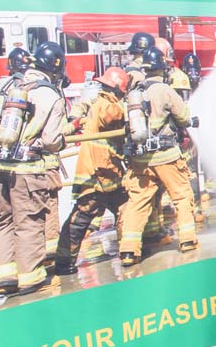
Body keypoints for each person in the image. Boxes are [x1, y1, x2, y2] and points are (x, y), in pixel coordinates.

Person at [0, 42, 67, 296]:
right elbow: (52, 141)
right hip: (27, 169)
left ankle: (5, 278)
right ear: (56, 68)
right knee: (29, 222)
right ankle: (32, 278)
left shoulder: (8, 85)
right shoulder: (50, 95)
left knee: (3, 221)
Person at [118, 48, 198, 266]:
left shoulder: (135, 91)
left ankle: (128, 250)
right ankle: (188, 240)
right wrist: (189, 121)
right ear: (163, 70)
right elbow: (182, 116)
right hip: (166, 156)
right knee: (181, 195)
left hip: (141, 159)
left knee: (138, 202)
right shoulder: (165, 90)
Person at [55, 67, 129, 275]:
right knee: (120, 211)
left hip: (101, 171)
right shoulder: (107, 105)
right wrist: (134, 106)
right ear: (117, 89)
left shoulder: (97, 101)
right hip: (101, 173)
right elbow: (114, 116)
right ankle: (128, 252)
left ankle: (64, 262)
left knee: (84, 218)